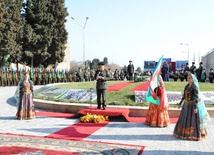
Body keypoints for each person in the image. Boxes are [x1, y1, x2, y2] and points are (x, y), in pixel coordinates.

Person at [174, 72, 210, 141]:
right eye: (187, 78)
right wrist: (180, 103)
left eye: (190, 78)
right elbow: (184, 96)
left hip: (192, 106)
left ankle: (193, 134)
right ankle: (184, 133)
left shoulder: (195, 87)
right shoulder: (187, 86)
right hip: (186, 105)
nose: (188, 79)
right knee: (184, 119)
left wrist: (196, 108)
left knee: (192, 120)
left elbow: (196, 98)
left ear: (193, 79)